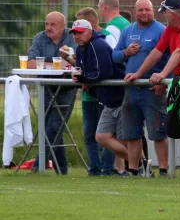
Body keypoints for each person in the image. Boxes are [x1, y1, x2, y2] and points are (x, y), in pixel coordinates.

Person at [124, 0, 180, 157]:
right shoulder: (171, 28)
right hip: (179, 81)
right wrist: (138, 73)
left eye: (165, 12)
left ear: (172, 13)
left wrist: (162, 75)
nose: (164, 16)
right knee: (177, 126)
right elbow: (157, 51)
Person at [113, 0, 170, 176]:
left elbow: (170, 59)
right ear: (134, 12)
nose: (144, 13)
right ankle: (133, 169)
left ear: (153, 11)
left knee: (158, 132)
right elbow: (114, 56)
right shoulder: (127, 31)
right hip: (131, 90)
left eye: (147, 10)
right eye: (140, 10)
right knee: (131, 133)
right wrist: (126, 53)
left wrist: (163, 82)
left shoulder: (162, 30)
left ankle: (162, 170)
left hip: (152, 90)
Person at [69, 20, 132, 174]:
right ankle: (141, 163)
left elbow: (103, 73)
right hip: (107, 99)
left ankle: (138, 165)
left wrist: (84, 79)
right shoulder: (80, 49)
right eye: (75, 33)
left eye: (80, 32)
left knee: (125, 139)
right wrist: (81, 79)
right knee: (102, 137)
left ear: (90, 32)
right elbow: (85, 72)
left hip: (121, 96)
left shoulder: (98, 45)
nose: (77, 36)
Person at [27, 12, 77, 175]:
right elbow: (31, 64)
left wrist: (45, 64)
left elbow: (73, 62)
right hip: (45, 87)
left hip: (66, 87)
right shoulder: (39, 38)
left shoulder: (72, 38)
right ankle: (62, 170)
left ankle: (37, 167)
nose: (48, 28)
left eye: (53, 25)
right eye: (46, 24)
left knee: (54, 126)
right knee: (51, 128)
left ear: (63, 26)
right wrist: (55, 64)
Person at [97, 0, 130, 173]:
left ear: (103, 7)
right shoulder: (126, 24)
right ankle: (122, 167)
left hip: (118, 85)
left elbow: (113, 58)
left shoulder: (111, 29)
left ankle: (135, 163)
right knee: (121, 132)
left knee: (117, 132)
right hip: (127, 81)